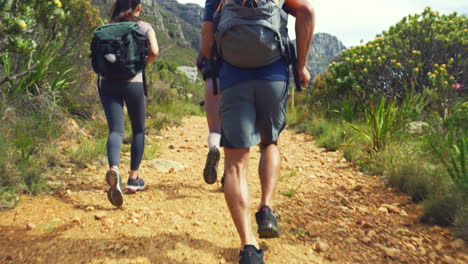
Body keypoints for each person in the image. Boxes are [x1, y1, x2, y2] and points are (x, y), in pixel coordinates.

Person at [201, 0, 315, 262]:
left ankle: (249, 246)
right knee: (269, 143)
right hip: (273, 76)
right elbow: (306, 12)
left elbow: (207, 47)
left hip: (233, 78)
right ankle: (266, 208)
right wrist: (301, 65)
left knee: (235, 163)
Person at [99, 0, 159, 207]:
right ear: (138, 8)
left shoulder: (106, 27)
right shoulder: (144, 26)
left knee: (115, 131)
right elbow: (155, 51)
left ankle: (114, 168)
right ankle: (134, 179)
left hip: (108, 84)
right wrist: (139, 67)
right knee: (138, 130)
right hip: (133, 84)